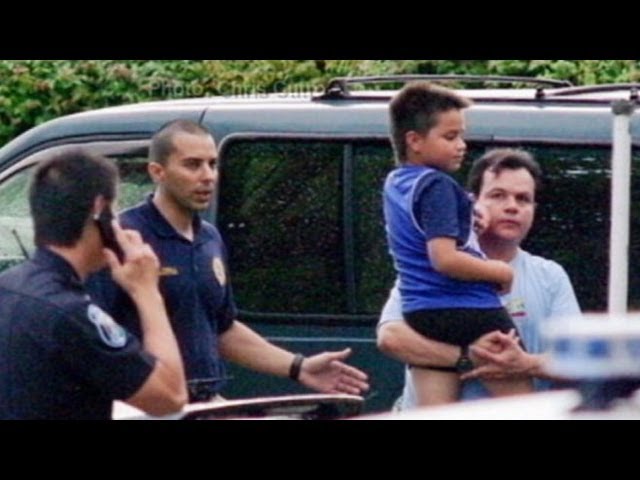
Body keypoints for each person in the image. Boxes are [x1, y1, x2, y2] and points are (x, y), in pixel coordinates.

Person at [88, 119, 369, 404]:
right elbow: (94, 336)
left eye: (212, 164)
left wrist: (298, 366)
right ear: (157, 172)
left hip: (205, 401)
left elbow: (223, 329)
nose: (207, 176)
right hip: (146, 406)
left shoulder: (209, 238)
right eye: (192, 165)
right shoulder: (124, 238)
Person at [378, 148, 581, 410]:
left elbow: (577, 359)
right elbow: (391, 338)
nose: (512, 206)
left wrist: (524, 364)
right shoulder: (433, 268)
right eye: (498, 195)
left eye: (523, 199)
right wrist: (468, 358)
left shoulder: (550, 276)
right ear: (471, 203)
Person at [0, 149, 187, 420]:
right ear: (99, 211)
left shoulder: (8, 287)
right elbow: (170, 396)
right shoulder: (71, 314)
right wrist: (147, 292)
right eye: (114, 213)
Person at [383, 81, 533, 406]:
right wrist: (499, 272)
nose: (461, 146)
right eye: (450, 137)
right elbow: (445, 259)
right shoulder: (438, 185)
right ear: (414, 140)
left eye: (461, 136)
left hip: (420, 313)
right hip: (471, 309)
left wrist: (469, 210)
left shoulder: (397, 183)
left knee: (436, 413)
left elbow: (425, 225)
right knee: (526, 408)